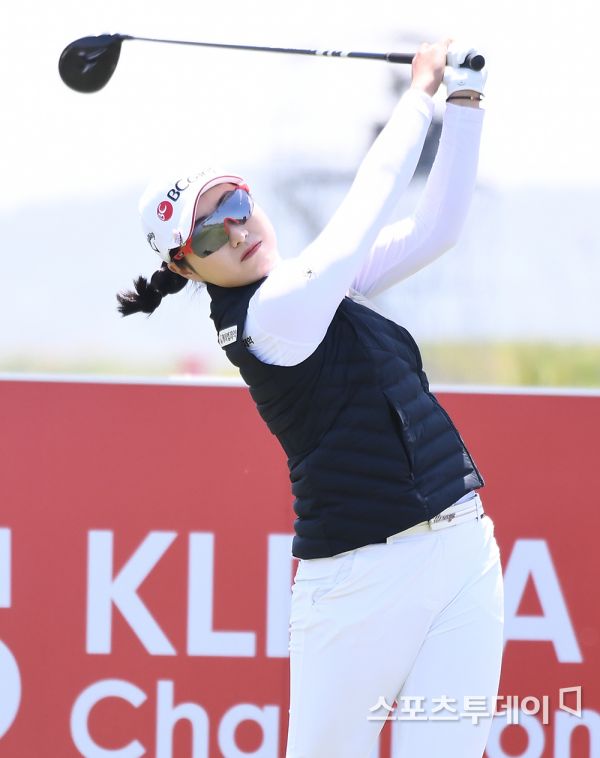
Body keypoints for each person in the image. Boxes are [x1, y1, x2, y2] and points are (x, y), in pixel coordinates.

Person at [118, 39, 504, 758]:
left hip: (461, 552)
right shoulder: (270, 314)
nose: (236, 229)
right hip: (356, 585)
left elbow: (437, 229)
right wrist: (419, 95)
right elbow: (360, 216)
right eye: (209, 231)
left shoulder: (313, 286)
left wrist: (465, 104)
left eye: (235, 203)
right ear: (186, 265)